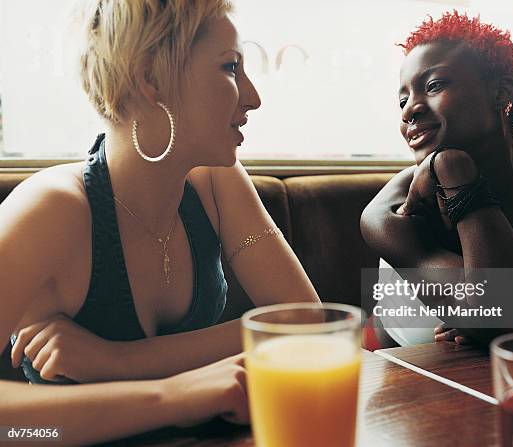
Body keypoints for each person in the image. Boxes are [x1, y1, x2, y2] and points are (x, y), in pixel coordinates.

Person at [0, 0, 319, 444]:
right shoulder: (49, 212)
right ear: (151, 78)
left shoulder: (216, 178)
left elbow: (305, 322)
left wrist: (116, 362)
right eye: (230, 68)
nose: (253, 96)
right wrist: (171, 395)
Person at [360, 11, 513, 347]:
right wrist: (452, 169)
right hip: (396, 371)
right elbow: (505, 313)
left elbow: (507, 319)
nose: (409, 111)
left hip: (505, 372)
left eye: (433, 85)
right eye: (403, 100)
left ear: (501, 93)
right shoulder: (389, 213)